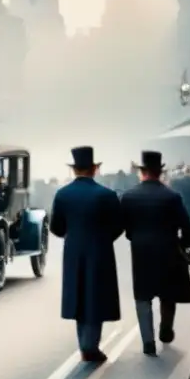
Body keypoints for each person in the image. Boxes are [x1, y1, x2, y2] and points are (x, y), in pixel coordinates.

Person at [49, 146, 123, 362]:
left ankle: (85, 344)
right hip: (100, 250)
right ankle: (90, 346)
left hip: (73, 250)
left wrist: (72, 236)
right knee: (95, 296)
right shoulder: (107, 195)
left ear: (74, 170)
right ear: (95, 169)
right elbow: (119, 225)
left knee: (78, 296)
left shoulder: (62, 194)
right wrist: (103, 238)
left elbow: (56, 227)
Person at [119, 151, 190, 356]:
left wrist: (133, 236)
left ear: (141, 172)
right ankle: (166, 329)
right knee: (167, 294)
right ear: (160, 172)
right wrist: (184, 244)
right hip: (169, 249)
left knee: (142, 297)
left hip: (141, 252)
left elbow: (123, 226)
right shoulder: (172, 196)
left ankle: (147, 342)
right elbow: (188, 228)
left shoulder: (128, 196)